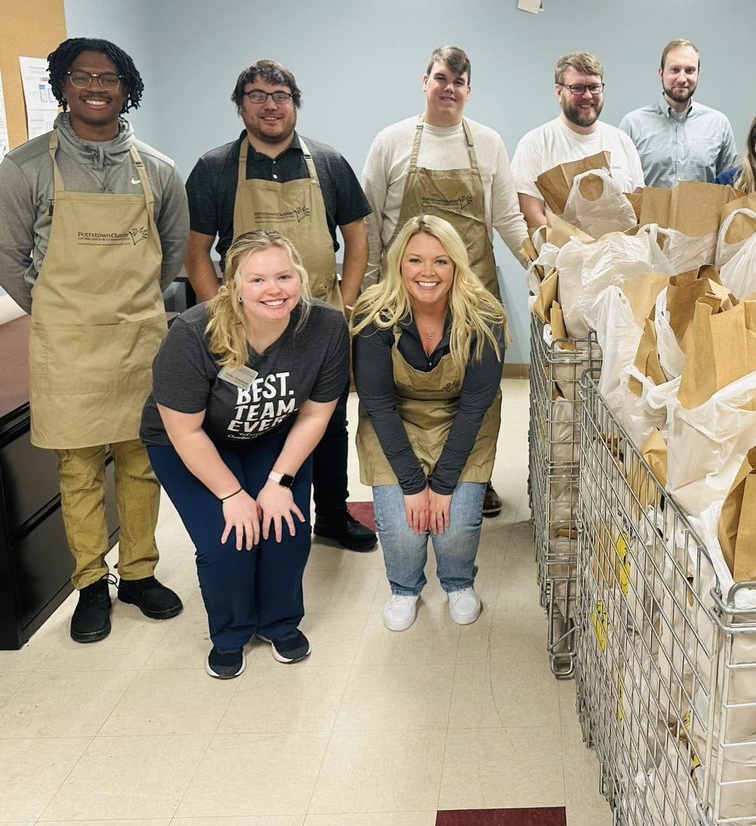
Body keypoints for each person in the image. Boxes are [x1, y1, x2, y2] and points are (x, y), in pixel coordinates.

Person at [0, 37, 188, 643]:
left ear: (126, 86)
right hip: (68, 343)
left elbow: (172, 253)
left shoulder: (157, 170)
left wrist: (130, 307)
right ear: (61, 85)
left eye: (108, 77)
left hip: (139, 339)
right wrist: (57, 309)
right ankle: (89, 585)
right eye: (81, 76)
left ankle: (137, 573)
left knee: (142, 463)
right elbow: (7, 256)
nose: (96, 86)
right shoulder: (25, 167)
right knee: (77, 467)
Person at [185, 59, 376, 551]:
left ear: (295, 104)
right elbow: (197, 251)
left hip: (319, 321)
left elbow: (357, 239)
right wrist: (221, 317)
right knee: (256, 418)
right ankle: (258, 507)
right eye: (257, 95)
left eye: (281, 95)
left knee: (328, 419)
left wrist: (345, 304)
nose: (270, 105)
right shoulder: (215, 168)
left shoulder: (329, 163)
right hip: (247, 326)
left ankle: (332, 514)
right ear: (240, 105)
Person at [141, 231, 349, 679]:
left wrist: (279, 483)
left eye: (284, 276)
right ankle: (232, 632)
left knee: (286, 528)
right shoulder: (194, 334)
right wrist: (232, 494)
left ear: (301, 277)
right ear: (232, 285)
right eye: (257, 280)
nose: (274, 290)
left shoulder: (327, 327)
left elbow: (315, 415)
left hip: (271, 434)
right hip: (190, 443)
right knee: (228, 539)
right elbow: (185, 429)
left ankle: (278, 622)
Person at [362, 45, 526, 518]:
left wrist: (546, 269)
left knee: (477, 390)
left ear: (468, 91)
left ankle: (478, 475)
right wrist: (371, 289)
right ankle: (405, 474)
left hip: (474, 292)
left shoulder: (489, 143)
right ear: (425, 82)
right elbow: (371, 223)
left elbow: (509, 220)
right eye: (440, 78)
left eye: (458, 81)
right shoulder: (391, 141)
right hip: (406, 290)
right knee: (403, 384)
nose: (448, 88)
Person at [352, 215, 505, 633]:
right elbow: (379, 405)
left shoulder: (484, 316)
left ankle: (458, 583)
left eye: (440, 261)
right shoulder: (375, 314)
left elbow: (475, 407)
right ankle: (404, 588)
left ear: (456, 265)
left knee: (453, 524)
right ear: (398, 264)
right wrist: (414, 485)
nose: (427, 272)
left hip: (463, 422)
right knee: (404, 528)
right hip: (395, 423)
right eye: (415, 260)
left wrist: (442, 486)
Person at [511, 52, 645, 229]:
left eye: (594, 87)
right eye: (577, 88)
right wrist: (581, 250)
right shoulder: (536, 143)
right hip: (565, 255)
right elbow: (531, 214)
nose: (588, 96)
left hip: (621, 254)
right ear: (559, 92)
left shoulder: (622, 141)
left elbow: (637, 208)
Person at [618, 39, 737, 188]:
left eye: (689, 70)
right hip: (649, 212)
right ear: (661, 73)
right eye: (674, 70)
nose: (682, 79)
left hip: (702, 212)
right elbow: (622, 186)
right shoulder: (633, 124)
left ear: (698, 73)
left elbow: (730, 187)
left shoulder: (719, 124)